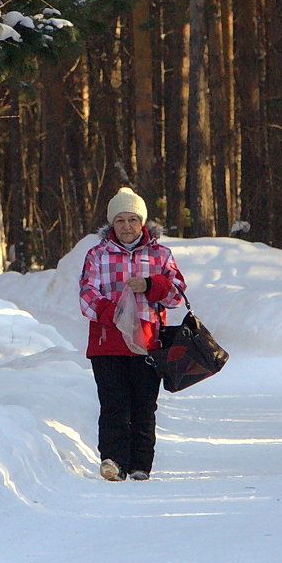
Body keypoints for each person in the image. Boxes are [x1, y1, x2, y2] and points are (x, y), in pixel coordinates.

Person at [79, 187, 186, 481]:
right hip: (107, 343)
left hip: (147, 344)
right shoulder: (98, 254)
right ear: (111, 224)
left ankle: (140, 464)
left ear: (143, 223)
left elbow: (176, 294)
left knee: (143, 406)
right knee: (114, 404)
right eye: (120, 220)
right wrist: (112, 312)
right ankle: (113, 461)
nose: (127, 226)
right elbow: (87, 295)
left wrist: (151, 286)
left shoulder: (160, 254)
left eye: (132, 220)